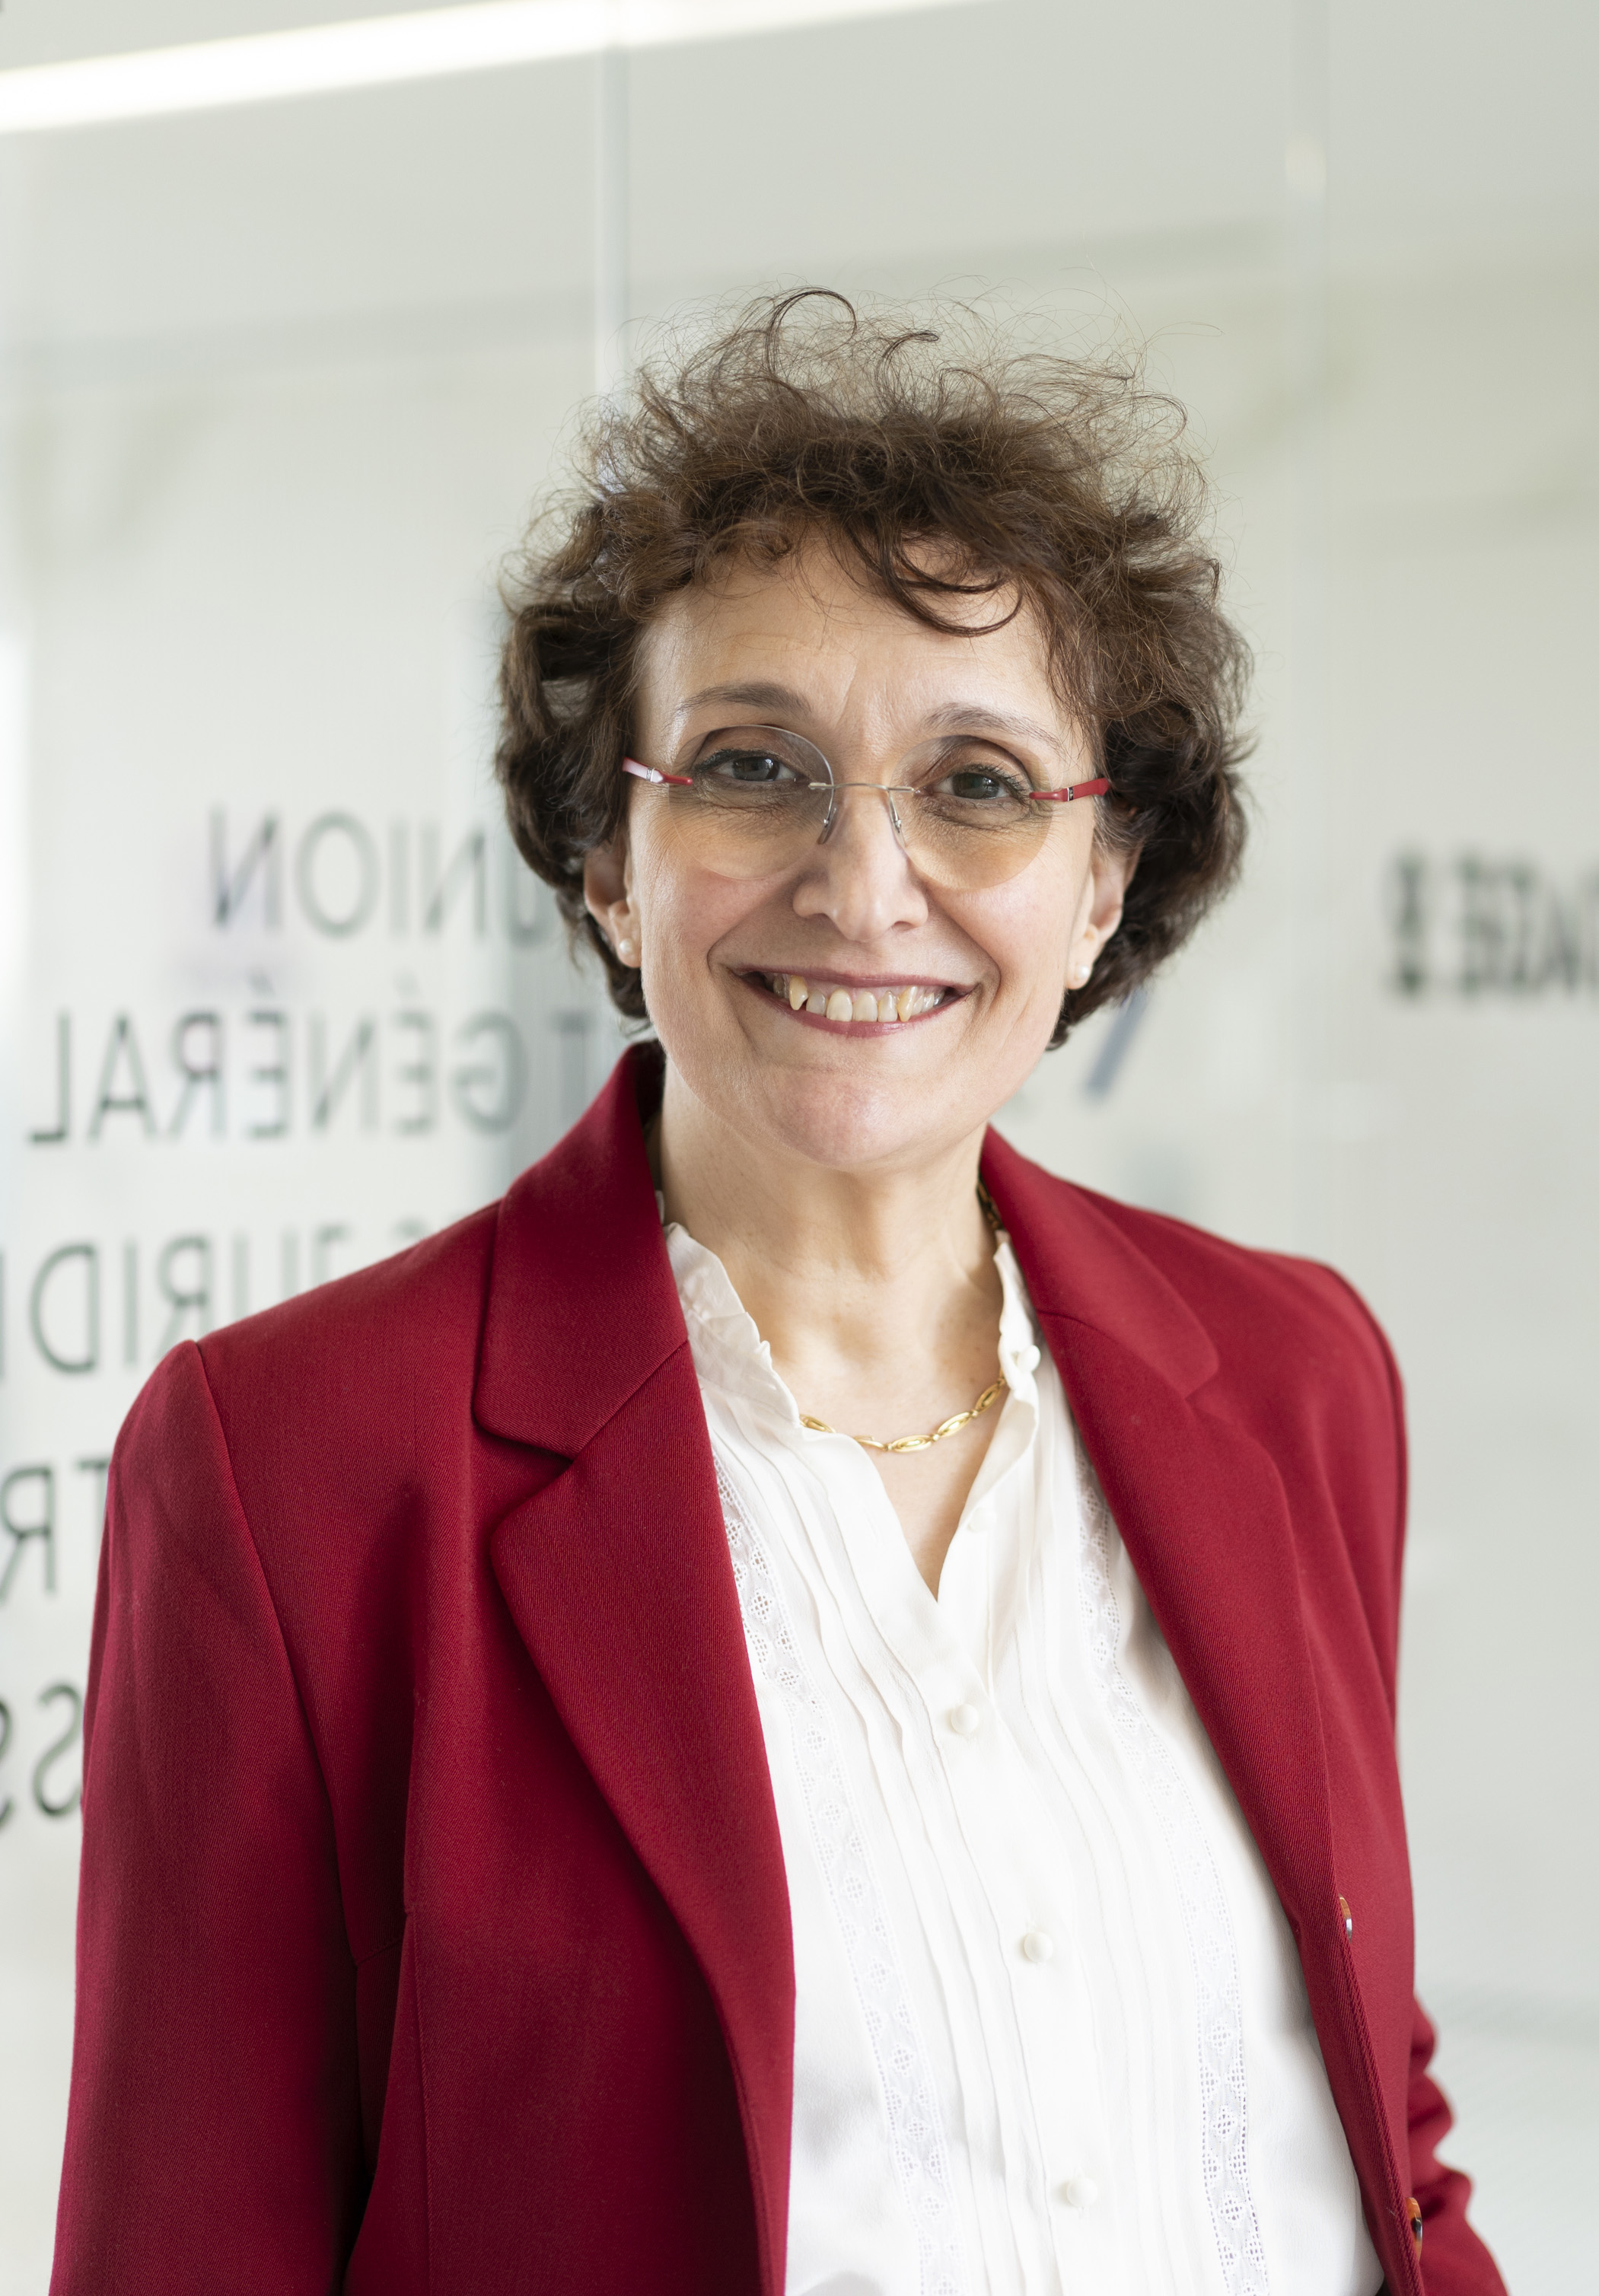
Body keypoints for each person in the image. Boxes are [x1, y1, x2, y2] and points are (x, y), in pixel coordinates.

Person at [51, 293, 1504, 2296]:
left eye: (978, 783)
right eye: (754, 766)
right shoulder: (292, 1464)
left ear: (1101, 885)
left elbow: (1370, 2124)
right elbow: (189, 2247)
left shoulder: (1293, 1370)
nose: (864, 881)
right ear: (607, 859)